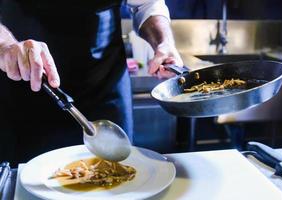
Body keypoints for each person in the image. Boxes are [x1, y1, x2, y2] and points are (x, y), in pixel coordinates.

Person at [0, 0, 183, 166]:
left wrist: (163, 42)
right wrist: (5, 45)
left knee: (118, 176)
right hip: (21, 83)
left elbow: (146, 4)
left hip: (105, 84)